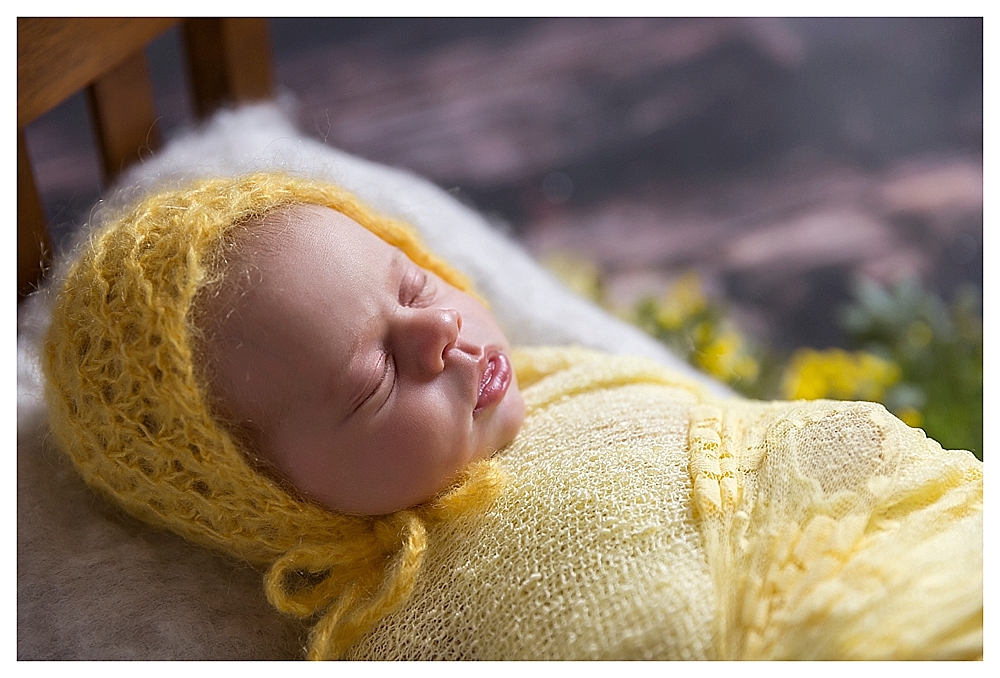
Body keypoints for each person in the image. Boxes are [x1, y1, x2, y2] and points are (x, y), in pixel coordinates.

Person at [42, 172, 983, 660]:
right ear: (272, 503)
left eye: (414, 282)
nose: (438, 335)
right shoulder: (395, 628)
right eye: (372, 380)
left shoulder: (568, 377)